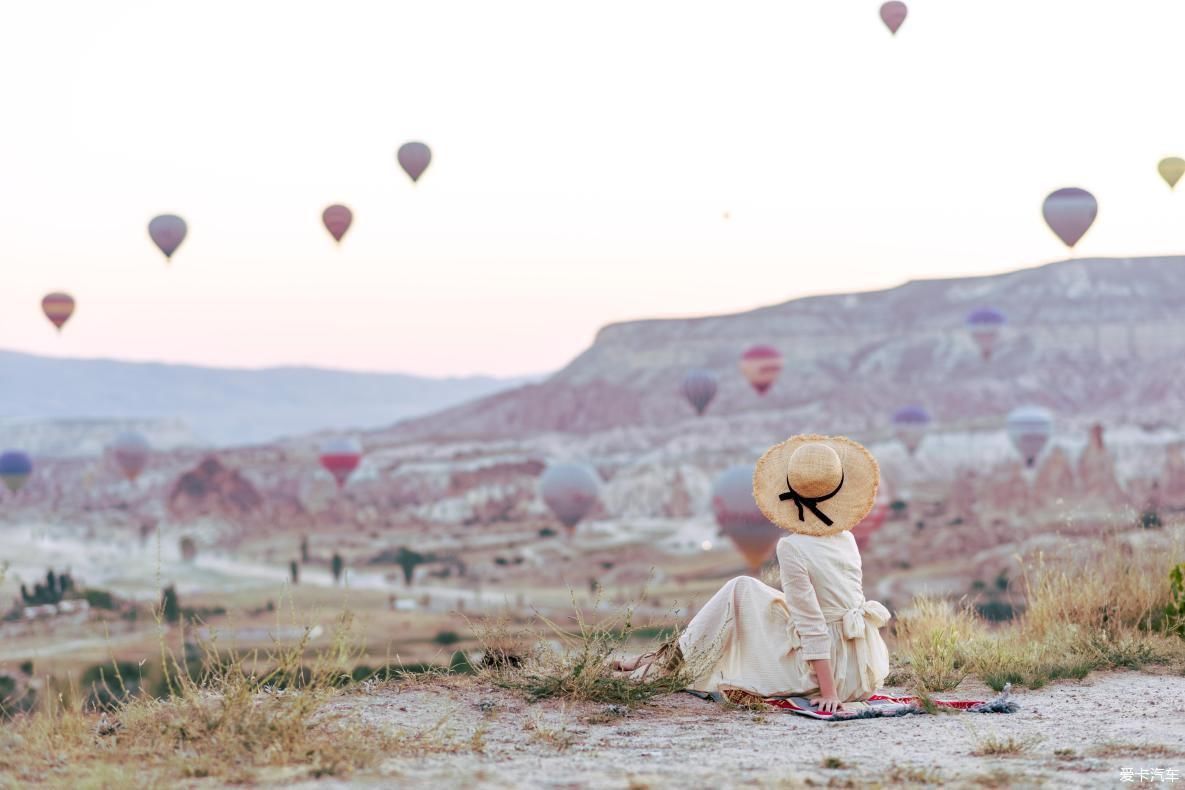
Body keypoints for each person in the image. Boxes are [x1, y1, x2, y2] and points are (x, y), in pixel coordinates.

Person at [617, 434, 891, 714]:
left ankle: (664, 663)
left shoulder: (792, 547)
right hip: (862, 668)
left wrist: (829, 692)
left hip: (827, 676)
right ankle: (663, 658)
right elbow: (829, 608)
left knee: (738, 590)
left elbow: (811, 623)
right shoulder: (846, 537)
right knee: (745, 587)